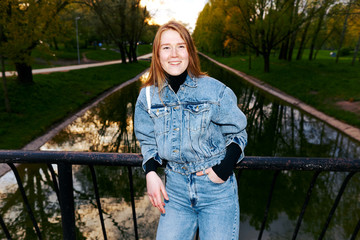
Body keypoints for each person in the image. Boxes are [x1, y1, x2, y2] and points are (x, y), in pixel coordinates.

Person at [134, 21, 247, 240]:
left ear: (190, 52)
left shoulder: (214, 90)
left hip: (216, 193)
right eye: (166, 47)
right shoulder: (147, 97)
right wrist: (150, 171)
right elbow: (147, 139)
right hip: (174, 192)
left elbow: (238, 132)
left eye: (181, 46)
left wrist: (222, 170)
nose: (174, 54)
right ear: (157, 55)